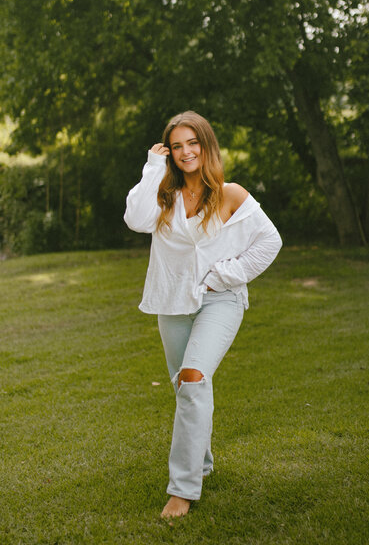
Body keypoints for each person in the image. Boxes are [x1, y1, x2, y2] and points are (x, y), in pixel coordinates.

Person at [123, 110, 282, 519]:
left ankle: (182, 490)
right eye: (177, 146)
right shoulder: (164, 195)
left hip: (220, 300)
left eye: (192, 142)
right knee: (185, 387)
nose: (185, 152)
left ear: (206, 145)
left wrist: (225, 275)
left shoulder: (230, 194)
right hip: (172, 302)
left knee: (193, 378)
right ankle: (202, 462)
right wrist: (152, 166)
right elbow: (135, 220)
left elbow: (270, 241)